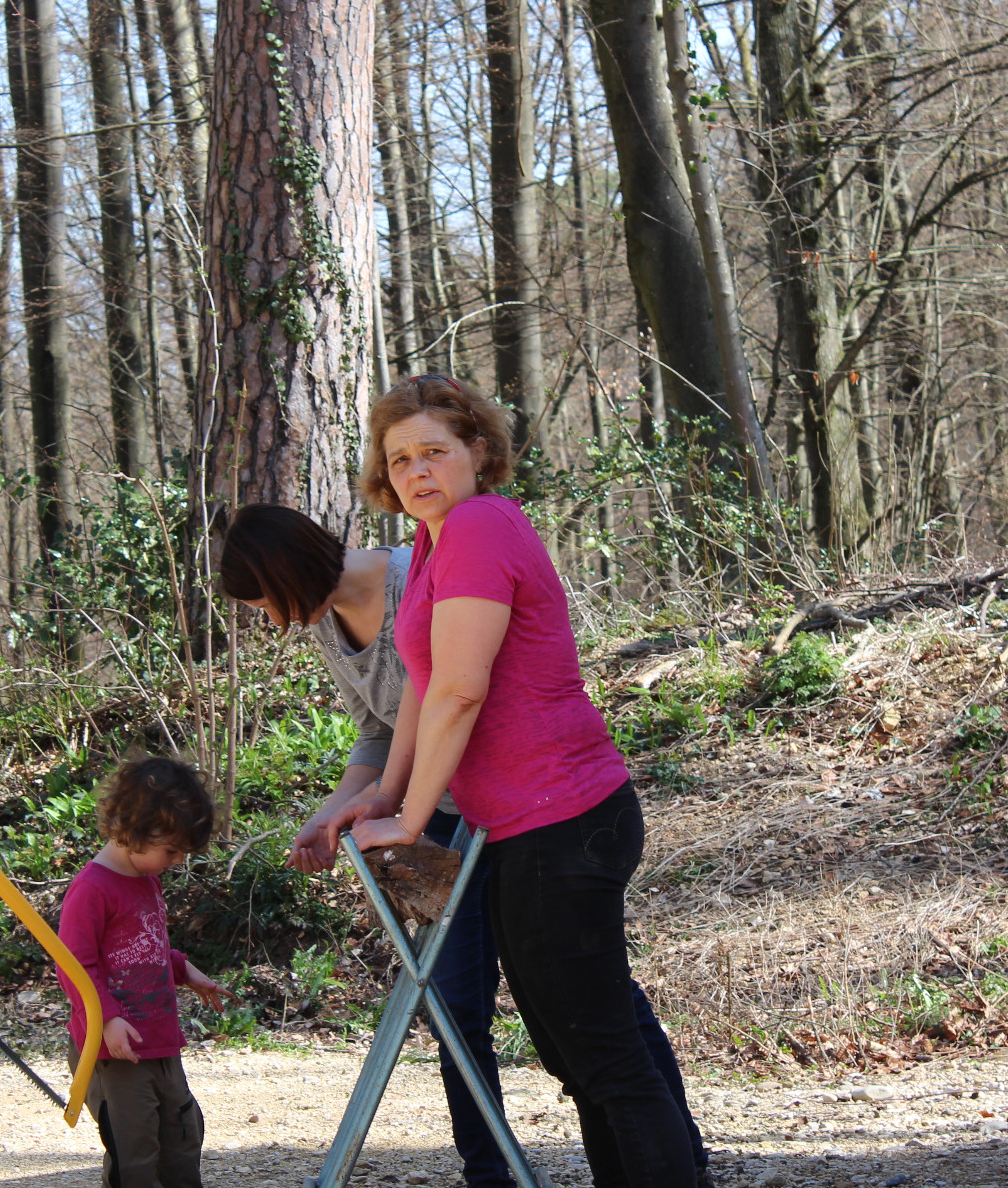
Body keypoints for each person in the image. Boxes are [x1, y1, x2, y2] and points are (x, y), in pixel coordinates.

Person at [218, 503, 713, 1188]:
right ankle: (490, 1172)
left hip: (514, 813)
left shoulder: (419, 576)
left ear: (287, 574)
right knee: (460, 1003)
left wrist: (401, 810)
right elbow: (382, 729)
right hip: (441, 820)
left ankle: (683, 1156)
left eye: (267, 604)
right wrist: (336, 811)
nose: (274, 621)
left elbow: (455, 694)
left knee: (594, 1015)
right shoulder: (328, 622)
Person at [336, 373, 698, 1188]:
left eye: (435, 450)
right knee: (581, 1056)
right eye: (400, 458)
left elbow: (462, 689)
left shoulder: (479, 525)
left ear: (479, 450)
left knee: (603, 1055)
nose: (417, 470)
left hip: (564, 817)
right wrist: (387, 792)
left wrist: (411, 820)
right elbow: (424, 684)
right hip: (520, 828)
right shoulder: (433, 544)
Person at [56, 757, 232, 1188]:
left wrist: (185, 970)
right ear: (133, 829)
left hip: (160, 1040)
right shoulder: (92, 888)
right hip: (115, 1051)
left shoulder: (146, 879)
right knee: (135, 1150)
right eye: (171, 850)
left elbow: (145, 944)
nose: (177, 860)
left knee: (182, 1135)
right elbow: (74, 965)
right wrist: (107, 1020)